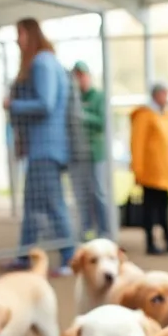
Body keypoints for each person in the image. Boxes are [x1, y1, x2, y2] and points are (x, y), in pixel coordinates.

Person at [4, 18, 71, 274]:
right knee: (32, 205)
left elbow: (46, 103)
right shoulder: (47, 61)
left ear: (29, 34)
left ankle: (69, 257)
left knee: (54, 204)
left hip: (46, 149)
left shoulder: (42, 62)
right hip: (41, 149)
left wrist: (13, 105)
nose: (16, 40)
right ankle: (24, 256)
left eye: (19, 34)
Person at [131, 83, 168, 255]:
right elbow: (137, 143)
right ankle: (150, 242)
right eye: (164, 94)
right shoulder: (145, 115)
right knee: (150, 208)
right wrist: (137, 169)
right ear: (157, 95)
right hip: (150, 172)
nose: (166, 98)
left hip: (164, 172)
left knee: (164, 207)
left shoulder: (164, 115)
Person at [73, 61, 111, 239]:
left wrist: (82, 116)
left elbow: (102, 122)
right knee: (83, 194)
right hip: (79, 153)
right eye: (77, 76)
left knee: (99, 192)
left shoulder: (98, 97)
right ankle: (87, 229)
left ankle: (105, 231)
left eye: (82, 75)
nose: (80, 79)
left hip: (96, 152)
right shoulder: (74, 97)